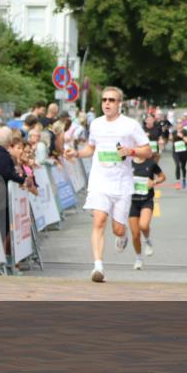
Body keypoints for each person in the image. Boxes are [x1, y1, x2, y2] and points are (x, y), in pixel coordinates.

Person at [76, 86, 151, 283]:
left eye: (111, 100)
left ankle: (122, 236)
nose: (107, 103)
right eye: (104, 100)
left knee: (117, 228)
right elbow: (91, 148)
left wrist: (131, 152)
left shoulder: (130, 125)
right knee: (98, 221)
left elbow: (148, 150)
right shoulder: (96, 124)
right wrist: (75, 153)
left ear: (119, 104)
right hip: (100, 180)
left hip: (121, 183)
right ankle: (98, 267)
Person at [128, 155, 165, 269]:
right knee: (135, 235)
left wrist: (153, 182)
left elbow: (162, 177)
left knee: (143, 225)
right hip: (132, 202)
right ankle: (138, 258)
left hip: (146, 201)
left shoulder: (151, 163)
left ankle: (148, 241)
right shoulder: (128, 163)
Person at [171, 125, 187, 190]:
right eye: (178, 126)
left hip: (184, 152)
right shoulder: (174, 132)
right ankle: (178, 183)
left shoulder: (186, 132)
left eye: (180, 126)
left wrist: (182, 137)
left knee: (183, 167)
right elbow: (169, 139)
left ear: (182, 127)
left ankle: (184, 179)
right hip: (176, 152)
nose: (179, 127)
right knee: (177, 165)